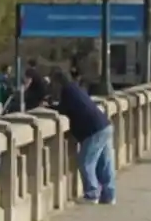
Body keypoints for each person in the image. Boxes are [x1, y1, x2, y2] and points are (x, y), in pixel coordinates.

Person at [49, 68, 115, 205]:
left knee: (86, 162)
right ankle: (109, 195)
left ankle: (92, 194)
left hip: (93, 130)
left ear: (58, 82)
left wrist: (50, 107)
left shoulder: (67, 92)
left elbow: (64, 110)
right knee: (105, 164)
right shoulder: (76, 88)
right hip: (105, 125)